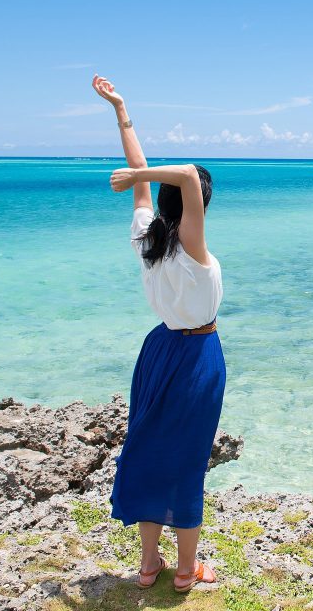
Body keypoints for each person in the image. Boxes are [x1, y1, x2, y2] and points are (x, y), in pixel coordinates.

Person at [92, 74, 225, 593]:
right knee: (188, 458)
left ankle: (149, 567)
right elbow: (189, 176)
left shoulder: (147, 239)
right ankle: (186, 572)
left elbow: (154, 186)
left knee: (147, 449)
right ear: (198, 207)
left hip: (158, 350)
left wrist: (122, 113)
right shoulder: (193, 249)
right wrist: (140, 172)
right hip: (197, 356)